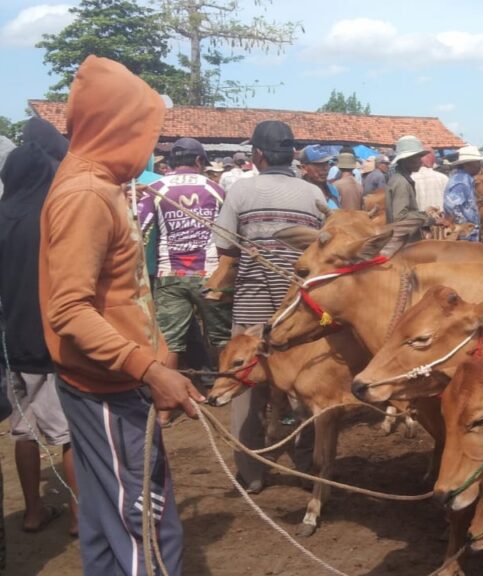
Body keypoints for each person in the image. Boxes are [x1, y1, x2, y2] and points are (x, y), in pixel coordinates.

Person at [38, 55, 196, 576]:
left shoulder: (101, 184)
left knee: (109, 529)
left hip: (108, 381)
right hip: (107, 390)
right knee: (144, 528)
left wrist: (157, 348)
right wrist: (148, 369)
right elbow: (69, 310)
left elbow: (117, 291)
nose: (151, 146)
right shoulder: (86, 194)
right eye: (145, 131)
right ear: (118, 128)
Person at [214, 119, 324, 494]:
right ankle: (308, 461)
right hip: (299, 311)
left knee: (243, 385)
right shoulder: (313, 194)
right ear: (291, 154)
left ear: (258, 154)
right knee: (305, 385)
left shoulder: (241, 192)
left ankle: (252, 470)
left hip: (252, 304)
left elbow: (225, 250)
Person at [0, 117, 79, 538]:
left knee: (24, 431)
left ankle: (32, 511)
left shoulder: (2, 216)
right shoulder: (54, 217)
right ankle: (78, 516)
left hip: (12, 344)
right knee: (68, 434)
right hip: (53, 341)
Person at [137, 138, 231, 426]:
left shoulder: (156, 189)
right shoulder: (215, 189)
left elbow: (139, 229)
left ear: (171, 162)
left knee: (172, 342)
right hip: (210, 274)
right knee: (222, 338)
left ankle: (165, 410)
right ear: (200, 161)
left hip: (169, 274)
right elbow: (229, 232)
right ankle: (227, 395)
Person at [386, 135, 437, 240]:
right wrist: (429, 219)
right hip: (404, 241)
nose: (421, 161)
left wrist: (423, 213)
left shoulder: (400, 179)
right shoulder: (401, 183)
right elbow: (400, 217)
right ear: (406, 160)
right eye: (417, 157)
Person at [443, 145, 483, 241]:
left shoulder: (464, 179)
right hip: (464, 236)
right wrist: (462, 226)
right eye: (477, 163)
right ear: (468, 164)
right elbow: (451, 206)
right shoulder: (460, 181)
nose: (480, 166)